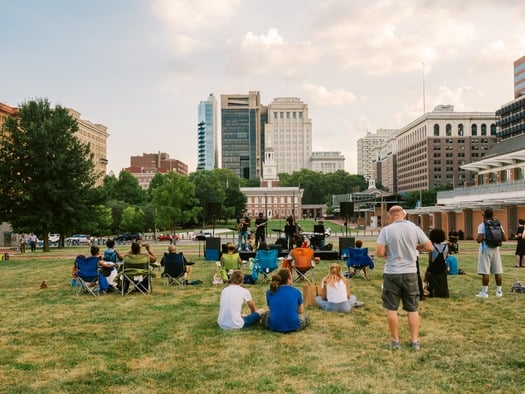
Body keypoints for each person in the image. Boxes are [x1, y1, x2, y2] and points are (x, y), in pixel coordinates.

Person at [375, 205, 433, 350]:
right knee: (412, 308)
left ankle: (396, 341)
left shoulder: (386, 230)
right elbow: (430, 247)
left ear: (390, 216)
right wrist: (415, 248)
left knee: (391, 308)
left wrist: (390, 253)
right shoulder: (414, 228)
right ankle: (415, 341)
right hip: (410, 272)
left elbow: (379, 253)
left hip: (391, 272)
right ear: (404, 215)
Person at [476, 207, 506, 298]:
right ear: (492, 215)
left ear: (484, 215)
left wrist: (477, 238)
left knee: (485, 271)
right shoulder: (498, 224)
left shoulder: (482, 225)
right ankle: (499, 291)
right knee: (498, 271)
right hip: (496, 248)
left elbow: (479, 239)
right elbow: (504, 238)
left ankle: (484, 292)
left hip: (486, 248)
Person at [424, 228, 449, 298]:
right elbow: (445, 257)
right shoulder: (446, 247)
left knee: (427, 274)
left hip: (433, 270)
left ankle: (430, 291)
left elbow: (430, 261)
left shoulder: (432, 247)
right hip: (442, 269)